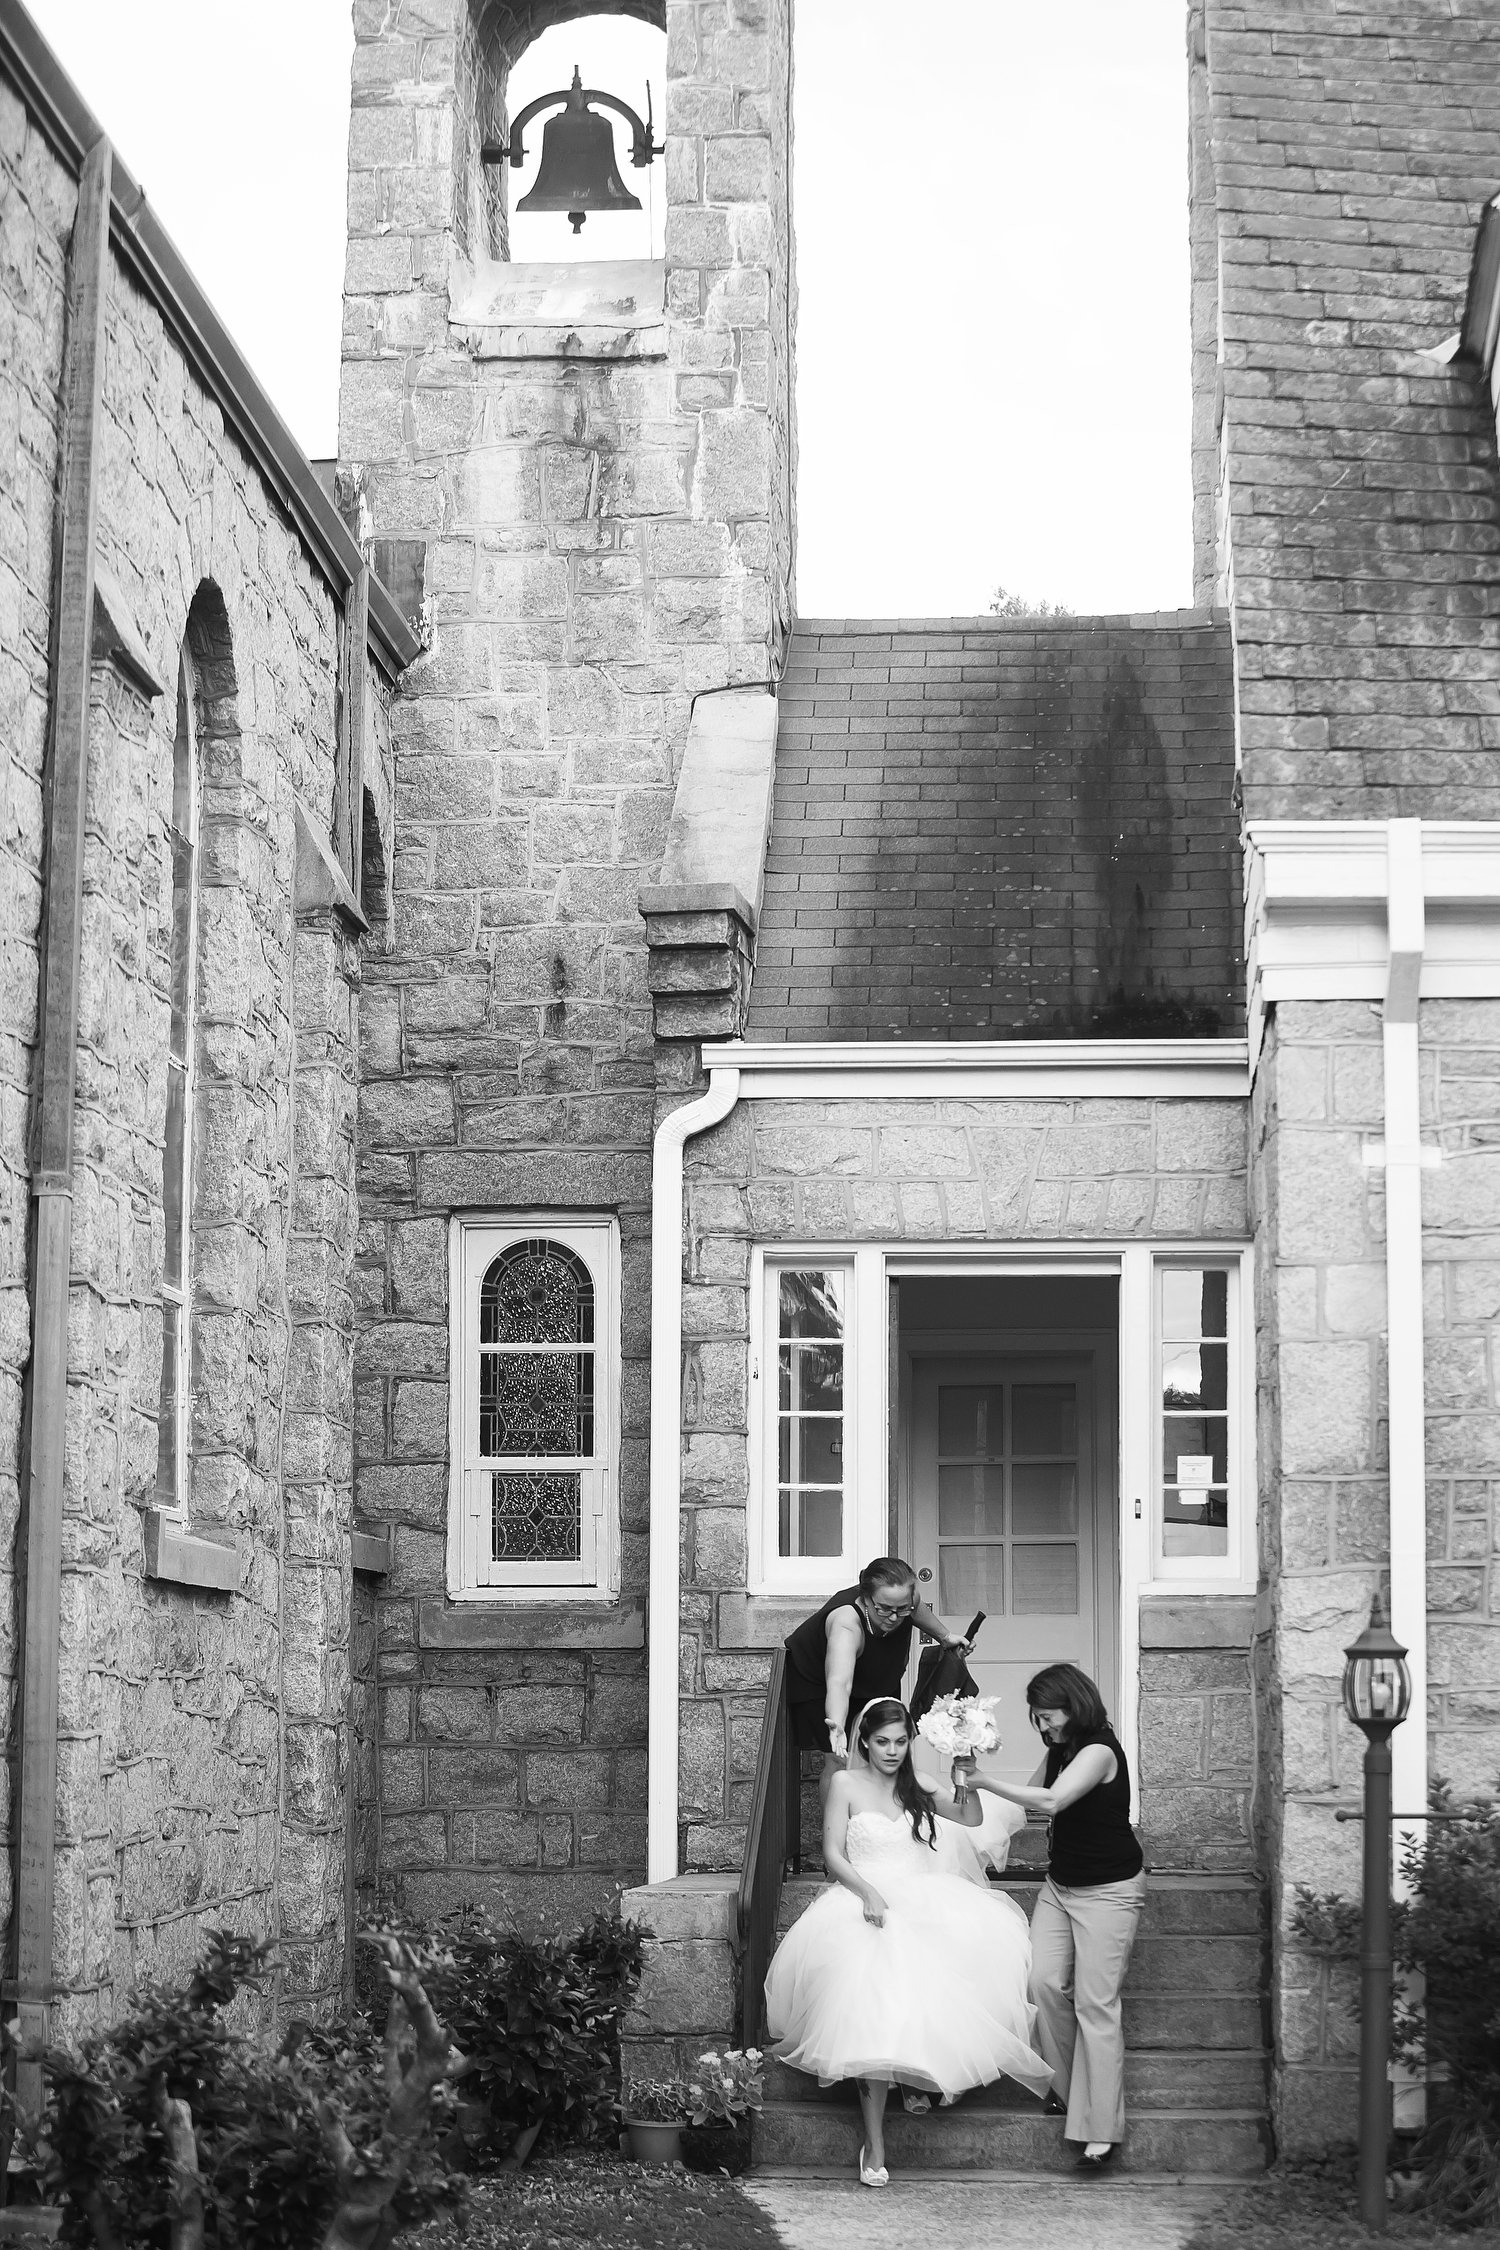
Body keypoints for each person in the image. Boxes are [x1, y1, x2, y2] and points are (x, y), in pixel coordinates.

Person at [764, 1696, 1053, 2187]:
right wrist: (868, 1892)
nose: (892, 1751)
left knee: (939, 1976)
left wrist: (968, 1771)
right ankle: (874, 2141)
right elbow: (833, 1853)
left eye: (900, 1741)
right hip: (864, 1897)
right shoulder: (845, 1784)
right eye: (882, 1742)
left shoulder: (919, 1784)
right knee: (869, 2001)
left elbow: (970, 1818)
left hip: (925, 1896)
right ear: (865, 1742)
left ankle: (914, 2077)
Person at [957, 1661, 1145, 2171]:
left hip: (1109, 1890)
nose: (1043, 1727)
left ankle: (1100, 2129)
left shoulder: (1100, 1749)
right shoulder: (1060, 1749)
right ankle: (1065, 2092)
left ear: (1074, 1704)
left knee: (1095, 2003)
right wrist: (963, 1792)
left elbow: (1054, 1800)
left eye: (1048, 1716)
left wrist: (986, 1779)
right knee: (1041, 1983)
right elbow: (1024, 1807)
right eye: (1036, 1718)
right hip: (1061, 1887)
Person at [783, 1557, 972, 1805]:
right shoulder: (846, 1623)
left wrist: (945, 1636)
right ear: (865, 1598)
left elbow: (917, 1607)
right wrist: (837, 1725)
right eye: (884, 1609)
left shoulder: (907, 1599)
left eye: (902, 1609)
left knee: (886, 1746)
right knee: (839, 1759)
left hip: (876, 1676)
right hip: (821, 1684)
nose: (894, 1617)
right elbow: (840, 1682)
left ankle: (882, 1816)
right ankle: (836, 1832)